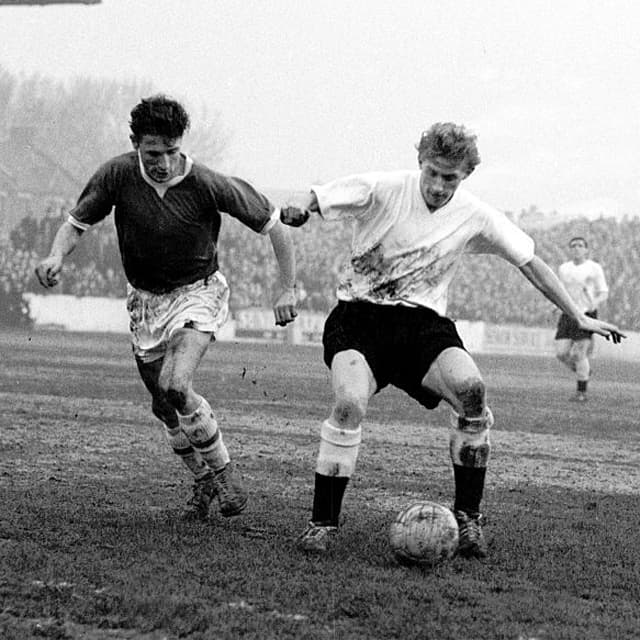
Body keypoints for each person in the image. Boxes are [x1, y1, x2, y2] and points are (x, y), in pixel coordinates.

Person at [280, 122, 624, 558]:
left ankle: (468, 518)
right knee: (349, 404)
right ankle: (323, 523)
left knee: (473, 394)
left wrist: (577, 315)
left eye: (451, 178)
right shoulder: (384, 188)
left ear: (466, 176)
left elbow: (530, 262)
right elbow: (321, 196)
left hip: (424, 326)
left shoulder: (475, 213)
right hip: (359, 317)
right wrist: (300, 208)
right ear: (420, 162)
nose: (439, 185)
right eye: (433, 173)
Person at [35, 95, 299, 521]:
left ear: (181, 145)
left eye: (171, 152)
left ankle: (226, 473)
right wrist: (55, 255)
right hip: (145, 301)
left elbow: (275, 226)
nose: (162, 162)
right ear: (136, 144)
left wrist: (287, 288)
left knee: (178, 385)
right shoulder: (117, 174)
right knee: (163, 403)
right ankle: (203, 481)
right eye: (152, 153)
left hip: (198, 291)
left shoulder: (207, 183)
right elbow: (75, 224)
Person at [554, 236, 608, 402]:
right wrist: (556, 305)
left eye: (580, 245)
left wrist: (595, 304)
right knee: (561, 353)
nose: (576, 248)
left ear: (586, 249)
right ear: (570, 250)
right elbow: (560, 290)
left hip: (586, 314)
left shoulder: (594, 268)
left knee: (579, 353)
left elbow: (604, 291)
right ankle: (583, 372)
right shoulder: (564, 268)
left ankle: (581, 392)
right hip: (568, 313)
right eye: (573, 246)